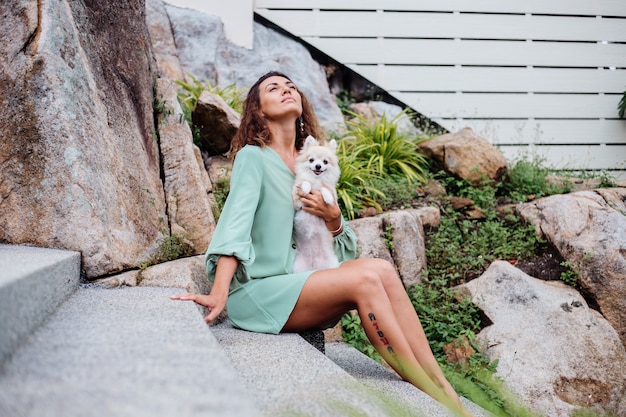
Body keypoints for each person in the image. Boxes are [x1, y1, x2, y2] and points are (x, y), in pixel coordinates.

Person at [171, 71, 474, 417]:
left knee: (382, 270)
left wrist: (334, 219)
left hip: (300, 281)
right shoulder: (253, 159)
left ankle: (442, 385)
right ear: (258, 110)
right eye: (274, 88)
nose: (286, 90)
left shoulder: (312, 161)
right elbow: (235, 227)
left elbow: (339, 253)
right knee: (364, 279)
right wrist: (219, 290)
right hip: (260, 291)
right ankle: (437, 399)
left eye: (290, 87)